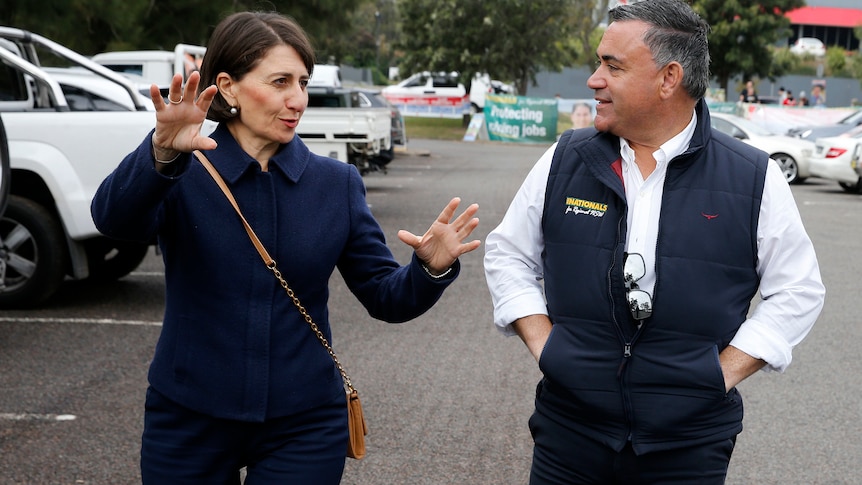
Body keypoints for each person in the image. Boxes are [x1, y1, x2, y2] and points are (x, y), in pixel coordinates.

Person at [91, 11, 481, 485]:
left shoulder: (336, 184)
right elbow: (113, 221)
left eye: (303, 82)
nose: (297, 98)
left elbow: (384, 295)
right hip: (188, 414)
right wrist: (161, 152)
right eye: (280, 82)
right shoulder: (182, 171)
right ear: (228, 87)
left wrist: (428, 269)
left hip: (305, 422)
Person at [483, 0, 825, 483]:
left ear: (669, 78)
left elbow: (798, 291)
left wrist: (720, 375)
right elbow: (508, 254)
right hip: (569, 436)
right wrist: (546, 346)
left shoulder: (753, 176)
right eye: (599, 62)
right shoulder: (565, 158)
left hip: (689, 446)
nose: (593, 79)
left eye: (612, 65)